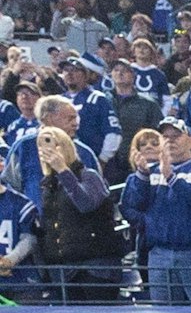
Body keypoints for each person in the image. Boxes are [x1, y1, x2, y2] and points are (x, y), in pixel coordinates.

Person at [124, 116, 191, 303]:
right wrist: (142, 177)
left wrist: (173, 178)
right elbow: (132, 206)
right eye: (165, 136)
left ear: (190, 140)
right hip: (159, 253)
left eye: (176, 136)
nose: (170, 140)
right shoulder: (149, 171)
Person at [35, 124, 124, 302]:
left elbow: (85, 204)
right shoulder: (49, 185)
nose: (46, 150)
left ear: (66, 147)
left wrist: (63, 171)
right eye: (41, 145)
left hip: (96, 269)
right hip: (64, 270)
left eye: (53, 144)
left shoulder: (89, 176)